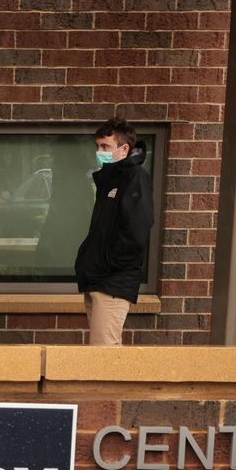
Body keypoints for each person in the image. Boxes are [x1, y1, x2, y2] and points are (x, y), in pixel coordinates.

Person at [74, 117, 154, 346]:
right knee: (103, 353)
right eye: (97, 146)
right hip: (99, 280)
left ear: (124, 149)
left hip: (113, 283)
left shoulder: (134, 177)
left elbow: (137, 230)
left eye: (105, 146)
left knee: (104, 353)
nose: (99, 152)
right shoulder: (110, 179)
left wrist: (109, 264)